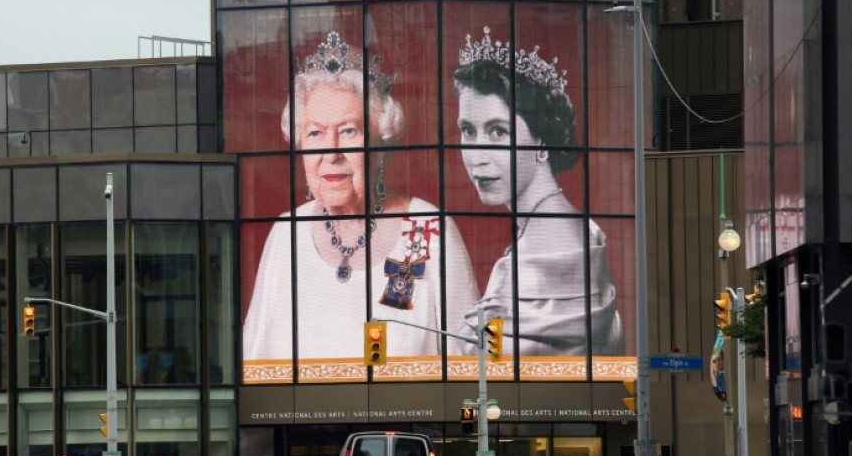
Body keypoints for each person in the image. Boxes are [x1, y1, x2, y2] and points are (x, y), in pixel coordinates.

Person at [243, 30, 479, 363]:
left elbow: (474, 366)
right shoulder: (287, 233)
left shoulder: (425, 230)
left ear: (380, 143)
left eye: (348, 131)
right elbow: (253, 364)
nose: (332, 152)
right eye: (315, 133)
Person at [453, 26, 623, 356]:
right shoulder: (573, 226)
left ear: (542, 139)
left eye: (498, 131)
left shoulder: (540, 256)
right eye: (467, 131)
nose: (477, 156)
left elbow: (487, 360)